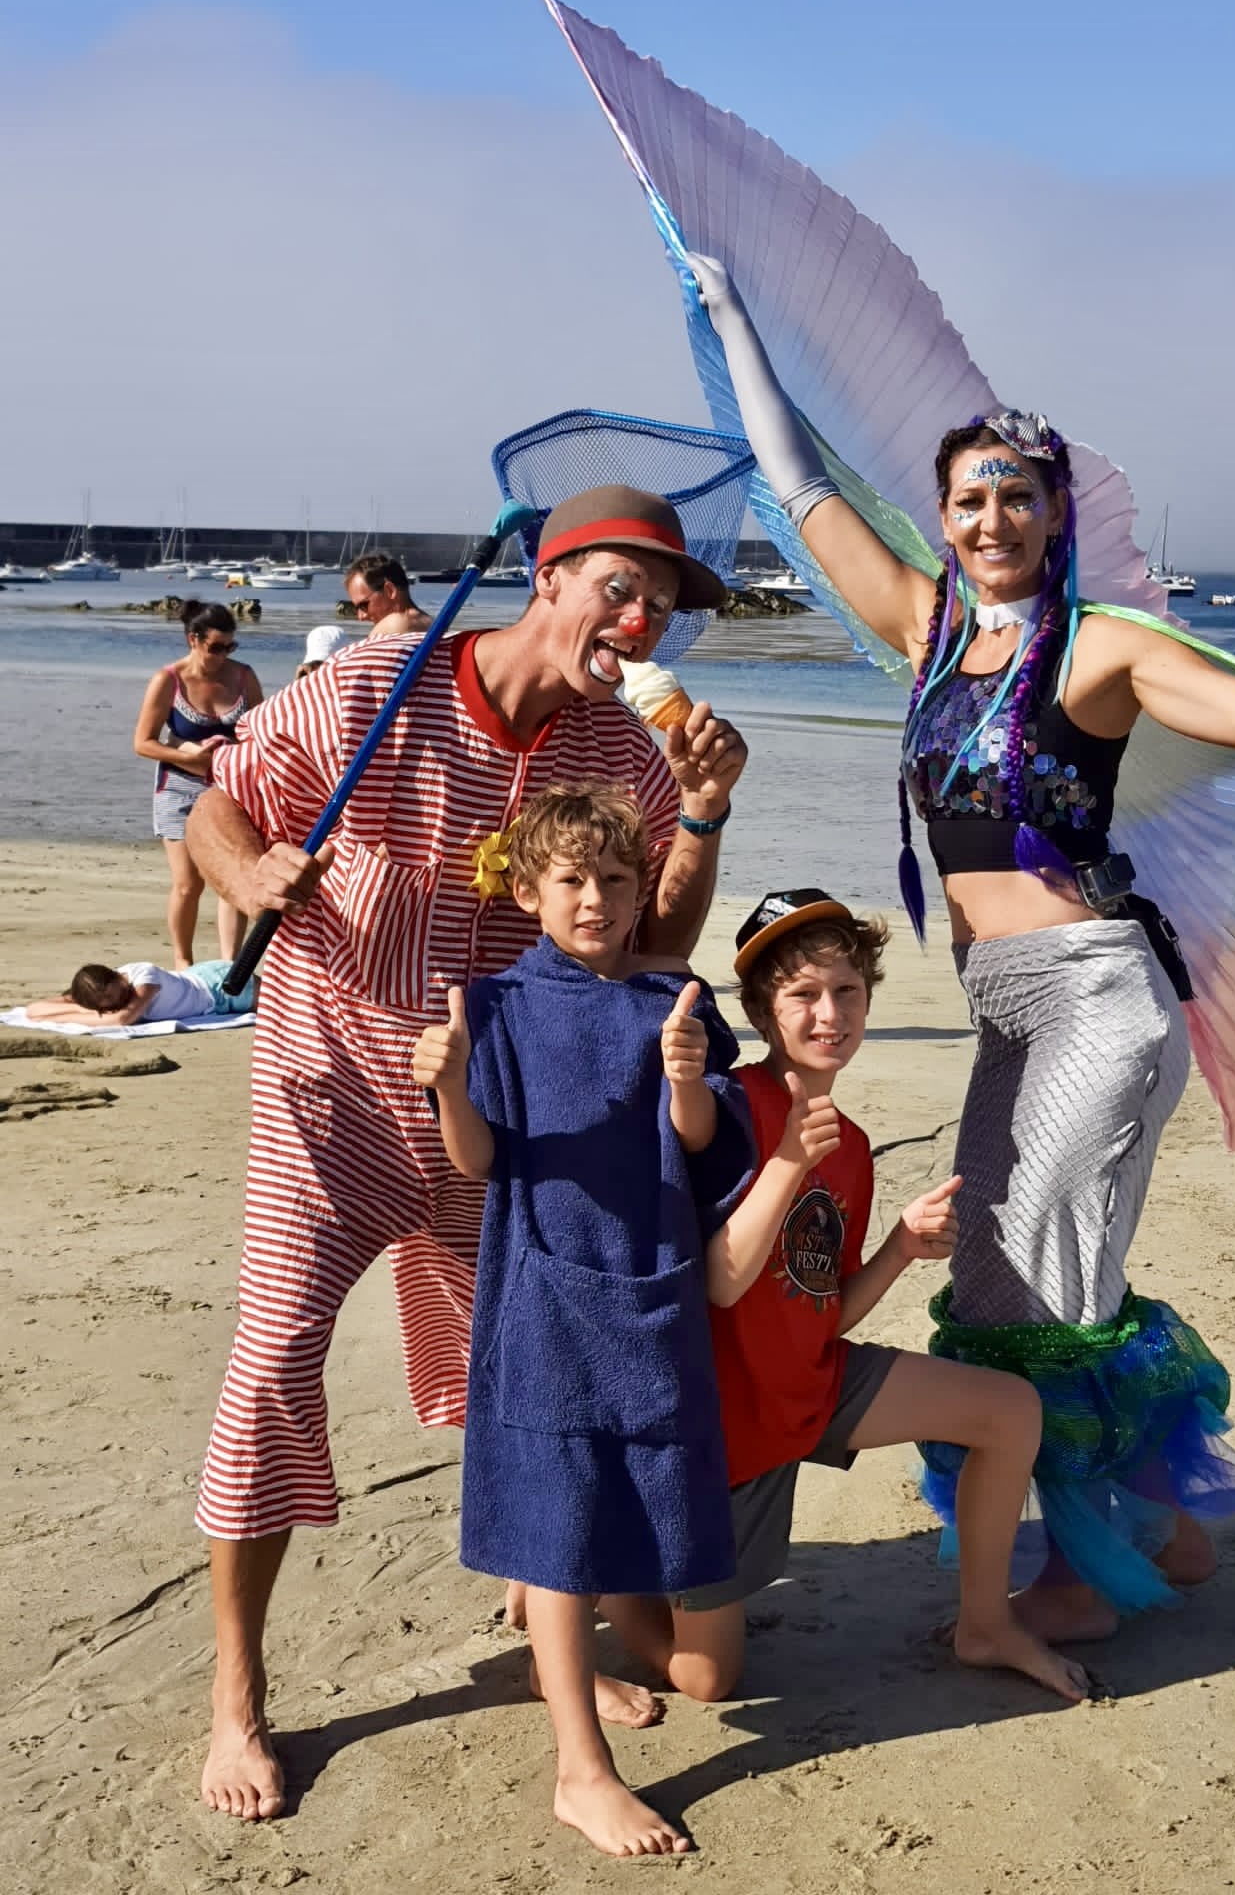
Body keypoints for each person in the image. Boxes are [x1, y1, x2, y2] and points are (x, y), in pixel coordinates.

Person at [690, 254, 1235, 1641]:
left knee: (1041, 1283)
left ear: (1057, 512)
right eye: (970, 499)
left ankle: (1079, 1575)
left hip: (1097, 1001)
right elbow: (801, 482)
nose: (992, 517)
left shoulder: (1101, 652)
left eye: (1018, 494)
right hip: (1003, 1007)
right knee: (1010, 1268)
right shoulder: (926, 630)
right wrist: (727, 315)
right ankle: (1164, 1530)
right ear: (943, 521)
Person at [186, 483, 748, 1821]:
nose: (641, 621)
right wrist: (248, 876)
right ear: (547, 578)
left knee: (511, 1378)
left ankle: (537, 1611)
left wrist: (704, 813)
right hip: (329, 1091)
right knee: (273, 1362)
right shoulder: (370, 685)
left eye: (662, 607)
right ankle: (235, 1695)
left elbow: (653, 946)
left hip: (500, 1123)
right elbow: (221, 800)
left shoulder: (623, 750)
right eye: (620, 588)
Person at [596, 889, 1087, 1710]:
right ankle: (610, 1592)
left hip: (811, 1389)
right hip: (727, 1433)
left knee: (1010, 1411)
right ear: (762, 1010)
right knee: (709, 1681)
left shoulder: (851, 1145)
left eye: (847, 990)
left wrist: (900, 1247)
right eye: (804, 994)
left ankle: (986, 1625)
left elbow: (826, 1311)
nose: (831, 1014)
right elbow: (722, 1280)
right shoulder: (732, 1106)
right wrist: (782, 1155)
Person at [415, 782, 753, 1859]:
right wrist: (451, 1087)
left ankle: (571, 1659)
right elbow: (479, 1162)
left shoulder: (673, 1000)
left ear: (642, 887)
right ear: (528, 891)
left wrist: (688, 1080)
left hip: (651, 1287)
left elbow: (704, 1148)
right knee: (556, 1519)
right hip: (542, 1293)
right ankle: (580, 1769)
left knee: (636, 1496)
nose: (596, 899)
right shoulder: (497, 1008)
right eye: (571, 880)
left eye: (615, 879)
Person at [133, 599, 263, 970]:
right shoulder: (168, 681)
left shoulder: (243, 677)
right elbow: (143, 743)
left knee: (232, 879)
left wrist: (235, 754)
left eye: (230, 647)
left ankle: (230, 966)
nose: (223, 655)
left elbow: (261, 733)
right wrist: (188, 756)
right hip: (178, 788)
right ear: (194, 639)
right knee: (189, 883)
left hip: (230, 790)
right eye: (216, 647)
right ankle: (183, 962)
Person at [21, 959, 255, 1026]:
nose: (114, 1004)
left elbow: (123, 1019)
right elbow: (33, 1010)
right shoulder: (95, 995)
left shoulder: (144, 977)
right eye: (104, 1005)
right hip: (199, 987)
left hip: (218, 985)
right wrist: (85, 1010)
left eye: (113, 996)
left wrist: (68, 1017)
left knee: (274, 1007)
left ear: (116, 976)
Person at [344, 552, 433, 637]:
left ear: (390, 591)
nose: (361, 617)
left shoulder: (392, 627)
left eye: (363, 605)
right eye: (356, 609)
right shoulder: (434, 627)